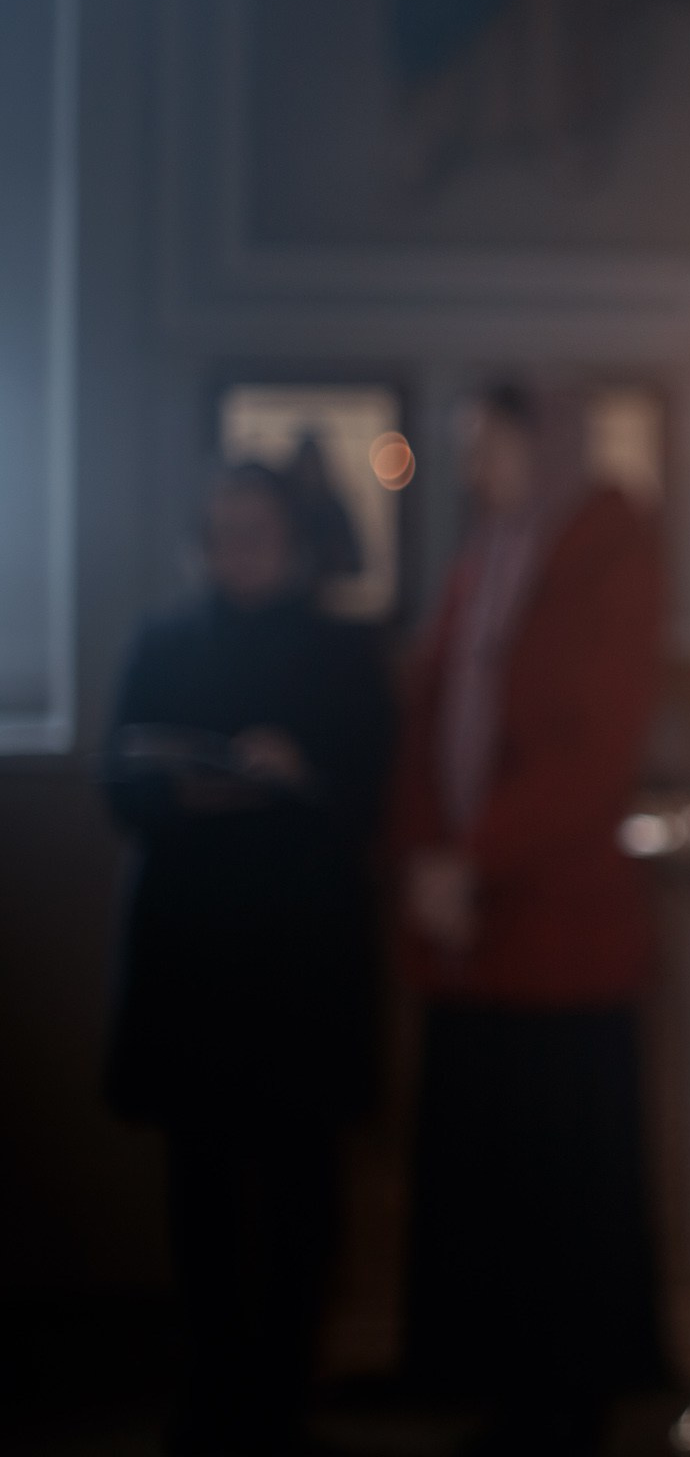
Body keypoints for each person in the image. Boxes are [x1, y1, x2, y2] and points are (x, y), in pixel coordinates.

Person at [388, 384, 667, 1455]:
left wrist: (476, 856)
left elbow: (593, 747)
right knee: (484, 1176)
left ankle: (564, 1405)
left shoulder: (605, 545)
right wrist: (425, 858)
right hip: (470, 926)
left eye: (486, 446)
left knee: (565, 1179)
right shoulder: (487, 553)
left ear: (537, 441)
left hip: (557, 927)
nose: (471, 469)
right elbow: (433, 711)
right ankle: (491, 1386)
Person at [102, 462, 393, 1456]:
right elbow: (120, 781)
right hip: (194, 958)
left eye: (255, 533)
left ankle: (283, 1396)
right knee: (202, 1189)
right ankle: (214, 1393)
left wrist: (299, 772)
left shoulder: (342, 651)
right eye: (222, 533)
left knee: (303, 1185)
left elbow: (373, 795)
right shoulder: (164, 640)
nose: (239, 552)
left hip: (300, 960)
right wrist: (187, 790)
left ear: (291, 540)